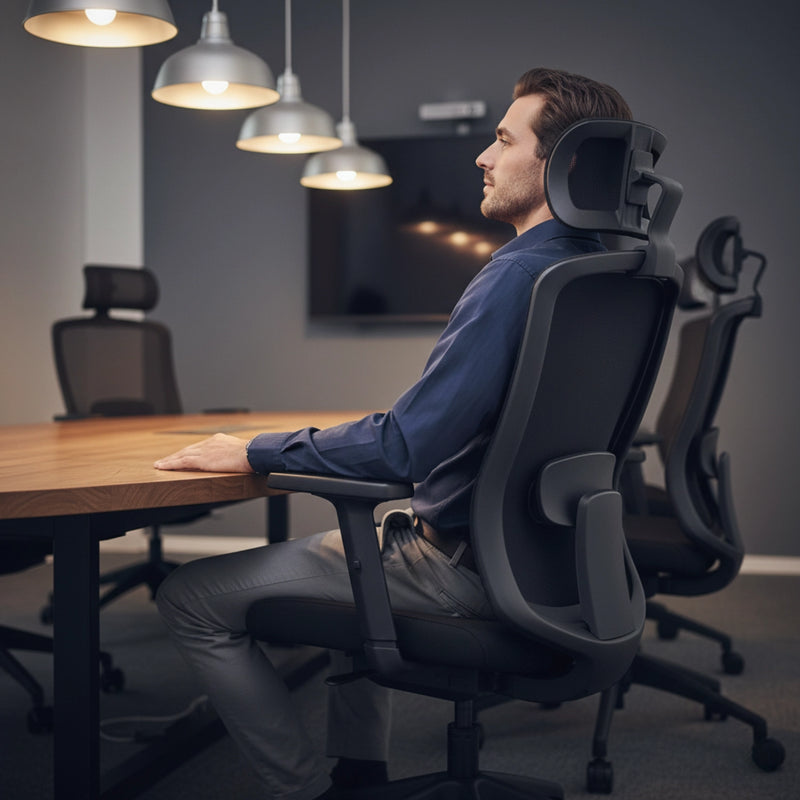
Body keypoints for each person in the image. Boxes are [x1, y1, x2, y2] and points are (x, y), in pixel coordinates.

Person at [154, 67, 632, 800]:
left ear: (559, 162)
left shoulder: (514, 277)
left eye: (503, 139)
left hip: (459, 567)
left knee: (191, 596)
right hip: (549, 561)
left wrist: (251, 448)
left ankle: (303, 789)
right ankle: (359, 774)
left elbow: (404, 449)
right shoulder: (603, 275)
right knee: (357, 549)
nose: (482, 157)